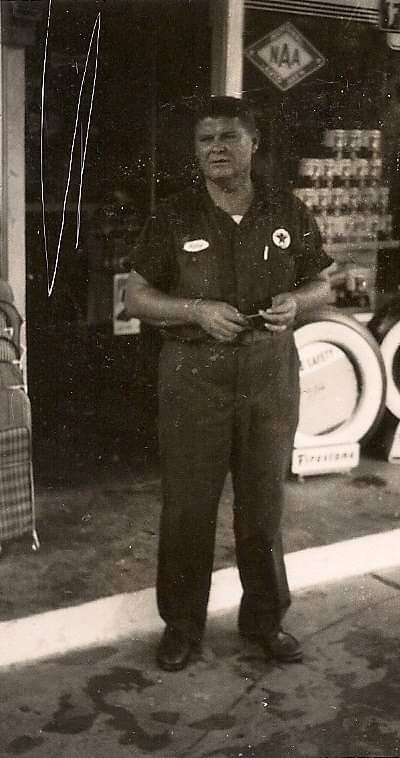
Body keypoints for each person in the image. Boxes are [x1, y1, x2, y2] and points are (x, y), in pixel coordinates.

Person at [125, 96, 333, 671]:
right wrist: (196, 310)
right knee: (189, 508)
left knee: (263, 505)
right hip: (195, 377)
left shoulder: (285, 210)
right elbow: (136, 296)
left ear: (253, 144)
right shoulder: (173, 215)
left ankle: (265, 622)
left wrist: (298, 301)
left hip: (269, 373)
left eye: (228, 138)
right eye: (206, 140)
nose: (216, 149)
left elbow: (325, 285)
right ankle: (183, 628)